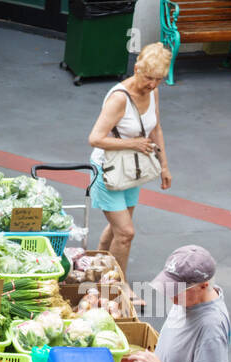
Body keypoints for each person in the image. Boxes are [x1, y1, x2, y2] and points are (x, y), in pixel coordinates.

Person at [86, 43, 173, 275]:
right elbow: (95, 138)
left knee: (118, 229)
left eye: (159, 79)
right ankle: (118, 285)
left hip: (132, 169)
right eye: (148, 78)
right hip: (108, 169)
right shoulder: (119, 98)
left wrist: (164, 166)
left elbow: (157, 129)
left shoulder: (153, 91)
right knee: (126, 233)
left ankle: (96, 268)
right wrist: (132, 143)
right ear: (136, 69)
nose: (153, 84)